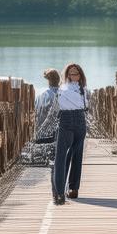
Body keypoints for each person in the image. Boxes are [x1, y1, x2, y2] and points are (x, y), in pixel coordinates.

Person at [52, 63, 90, 204]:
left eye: (75, 73)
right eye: (73, 73)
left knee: (61, 158)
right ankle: (73, 189)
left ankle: (60, 193)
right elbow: (86, 105)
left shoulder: (62, 88)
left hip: (66, 121)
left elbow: (57, 107)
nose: (74, 75)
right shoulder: (84, 90)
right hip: (80, 120)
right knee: (76, 155)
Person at [35, 68, 61, 140]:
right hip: (57, 134)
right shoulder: (63, 94)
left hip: (40, 132)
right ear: (59, 79)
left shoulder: (40, 95)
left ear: (48, 81)